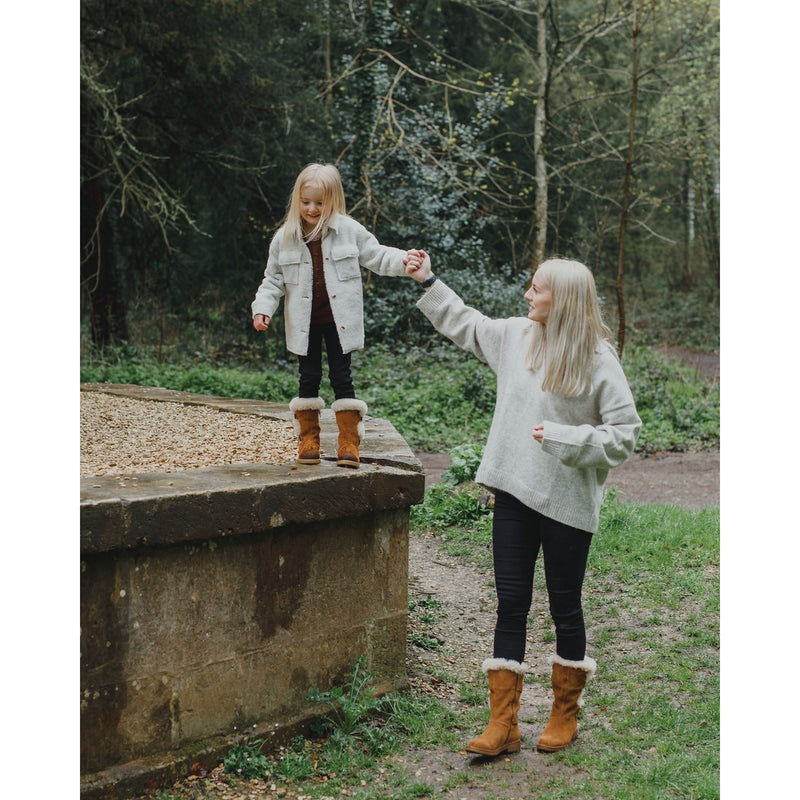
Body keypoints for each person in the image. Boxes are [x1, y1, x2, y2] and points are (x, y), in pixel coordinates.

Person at [404, 249, 641, 757]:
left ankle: (564, 715)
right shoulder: (516, 336)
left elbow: (624, 435)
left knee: (564, 607)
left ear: (565, 300)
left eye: (537, 288)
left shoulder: (598, 360)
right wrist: (428, 280)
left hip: (567, 503)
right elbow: (467, 324)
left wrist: (564, 437)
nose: (527, 294)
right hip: (512, 491)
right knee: (510, 603)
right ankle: (503, 726)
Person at [252, 163, 413, 468]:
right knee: (308, 377)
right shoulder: (285, 237)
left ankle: (348, 443)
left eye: (320, 202)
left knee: (342, 377)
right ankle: (308, 441)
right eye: (306, 202)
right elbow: (272, 279)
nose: (312, 209)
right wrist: (262, 308)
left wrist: (406, 260)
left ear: (334, 200)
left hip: (340, 323)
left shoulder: (349, 231)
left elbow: (377, 255)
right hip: (305, 325)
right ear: (297, 201)